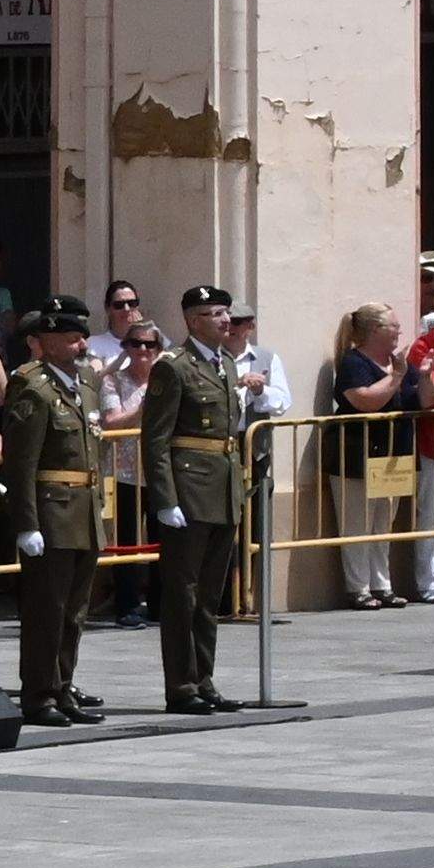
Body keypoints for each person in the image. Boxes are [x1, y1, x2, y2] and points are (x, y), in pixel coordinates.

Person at [0, 296, 112, 720]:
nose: (81, 345)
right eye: (70, 338)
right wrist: (26, 523)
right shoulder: (32, 385)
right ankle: (39, 694)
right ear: (45, 341)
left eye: (82, 337)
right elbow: (22, 461)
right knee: (48, 610)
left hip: (82, 510)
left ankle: (63, 686)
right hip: (52, 512)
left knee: (75, 612)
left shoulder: (84, 386)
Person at [139, 283, 251, 710]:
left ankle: (204, 679)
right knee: (182, 594)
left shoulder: (225, 363)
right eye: (213, 313)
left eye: (225, 312)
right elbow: (157, 439)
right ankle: (181, 686)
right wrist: (165, 499)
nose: (224, 320)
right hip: (189, 491)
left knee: (209, 595)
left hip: (222, 489)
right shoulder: (174, 366)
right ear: (191, 320)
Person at [326, 301, 411, 604]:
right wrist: (397, 376)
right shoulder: (353, 363)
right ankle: (358, 588)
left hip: (392, 454)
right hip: (357, 454)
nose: (399, 332)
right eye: (394, 327)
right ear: (375, 330)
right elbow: (364, 400)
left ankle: (382, 584)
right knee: (357, 523)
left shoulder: (396, 363)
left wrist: (427, 377)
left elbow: (420, 399)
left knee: (383, 523)